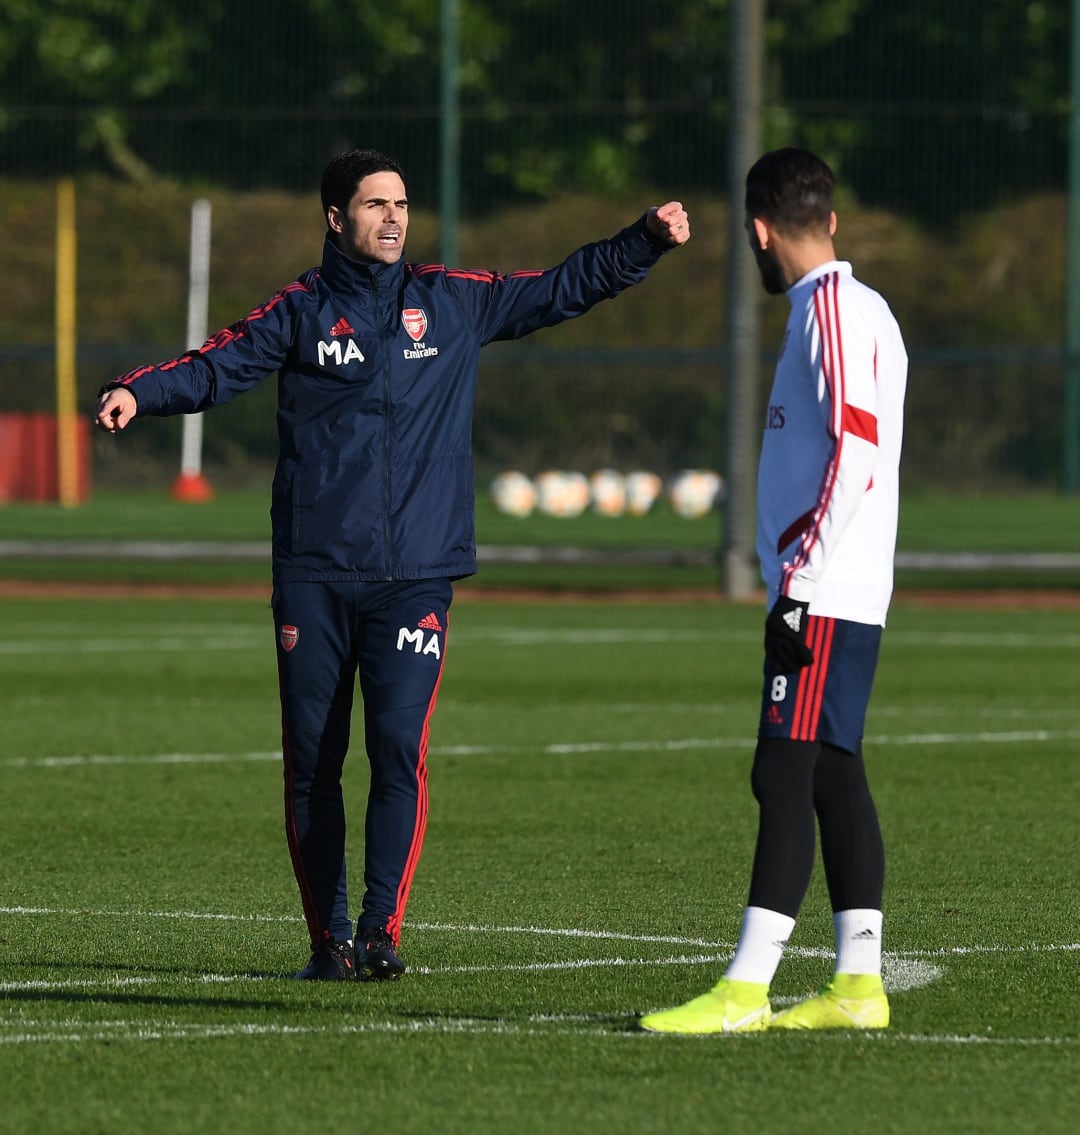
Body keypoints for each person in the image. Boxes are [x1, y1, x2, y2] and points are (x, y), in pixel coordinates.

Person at [94, 149, 690, 982]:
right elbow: (216, 364)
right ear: (336, 218)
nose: (394, 217)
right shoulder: (300, 309)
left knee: (398, 747)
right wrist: (137, 390)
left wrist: (644, 241)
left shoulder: (451, 302)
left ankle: (381, 932)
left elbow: (560, 287)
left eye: (401, 203)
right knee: (313, 762)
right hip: (314, 571)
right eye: (375, 204)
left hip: (415, 573)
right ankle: (327, 940)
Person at [640, 147, 907, 1033]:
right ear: (827, 218)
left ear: (760, 231)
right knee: (833, 771)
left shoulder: (830, 308)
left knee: (782, 770)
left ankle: (745, 988)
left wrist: (801, 575)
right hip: (845, 587)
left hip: (822, 590)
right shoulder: (854, 308)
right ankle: (859, 985)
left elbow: (856, 449)